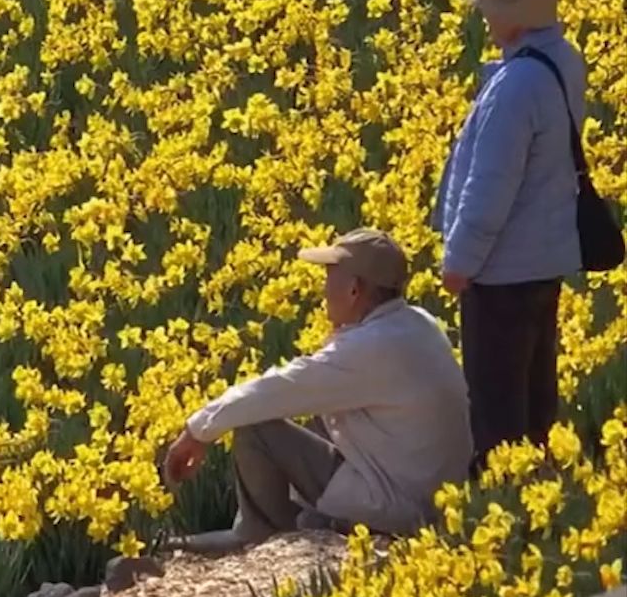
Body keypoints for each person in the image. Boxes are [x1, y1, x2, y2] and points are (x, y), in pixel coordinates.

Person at [161, 228, 472, 554]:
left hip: (399, 509)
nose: (324, 288)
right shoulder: (418, 323)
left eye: (330, 276)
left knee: (256, 428)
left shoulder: (369, 348)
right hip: (435, 497)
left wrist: (197, 430)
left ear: (355, 290)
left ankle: (257, 534)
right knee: (321, 418)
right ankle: (306, 519)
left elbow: (278, 390)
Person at [437, 0, 587, 471]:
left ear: (517, 13)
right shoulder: (563, 61)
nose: (485, 16)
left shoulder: (517, 87)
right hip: (545, 259)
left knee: (497, 408)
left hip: (502, 269)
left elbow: (490, 186)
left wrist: (460, 262)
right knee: (534, 391)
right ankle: (535, 496)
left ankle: (504, 513)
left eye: (492, 6)